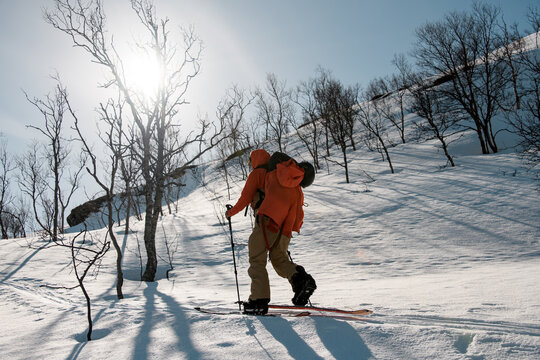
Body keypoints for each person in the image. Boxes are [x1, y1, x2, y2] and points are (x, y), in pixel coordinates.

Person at [227, 151, 316, 315]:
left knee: (256, 258)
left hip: (268, 220)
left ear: (255, 160)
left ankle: (258, 301)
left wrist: (230, 213)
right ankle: (301, 281)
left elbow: (245, 198)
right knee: (279, 258)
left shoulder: (258, 173)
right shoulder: (283, 177)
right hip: (286, 224)